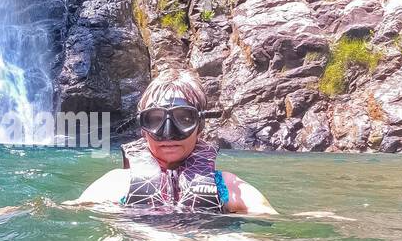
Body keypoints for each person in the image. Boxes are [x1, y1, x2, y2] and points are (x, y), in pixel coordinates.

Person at [71, 68, 275, 215]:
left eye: (184, 119)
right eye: (155, 120)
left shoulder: (227, 187)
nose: (168, 134)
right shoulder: (116, 184)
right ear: (143, 128)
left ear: (200, 125)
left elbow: (269, 221)